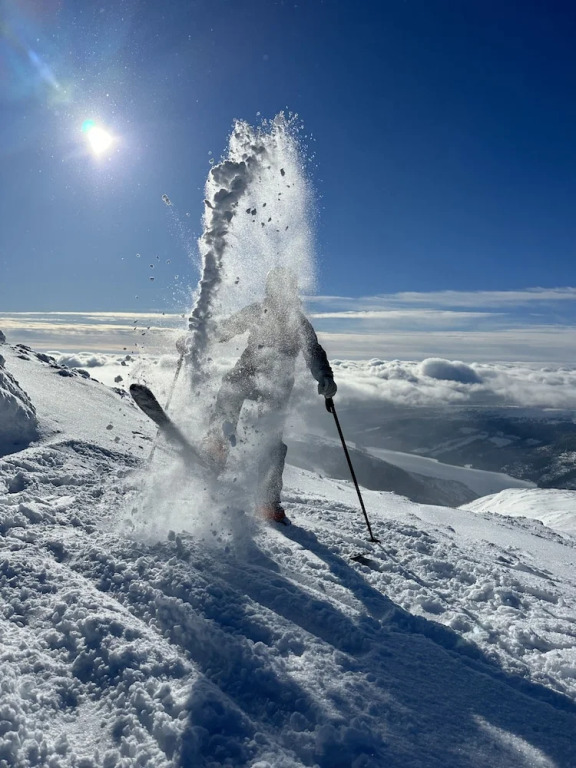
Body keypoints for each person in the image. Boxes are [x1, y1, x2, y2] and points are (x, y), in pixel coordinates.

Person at [202, 267, 337, 523]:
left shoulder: (297, 321)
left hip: (278, 378)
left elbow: (313, 351)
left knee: (271, 438)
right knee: (230, 389)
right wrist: (197, 340)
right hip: (249, 367)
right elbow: (226, 330)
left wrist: (325, 377)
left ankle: (267, 501)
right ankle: (216, 446)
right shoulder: (257, 311)